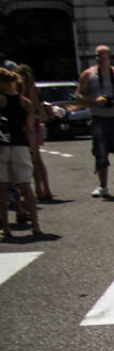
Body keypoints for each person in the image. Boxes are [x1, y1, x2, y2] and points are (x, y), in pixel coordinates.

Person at [76, 44, 114, 198]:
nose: (100, 59)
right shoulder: (88, 75)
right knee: (100, 152)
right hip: (98, 118)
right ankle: (103, 187)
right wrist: (95, 100)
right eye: (97, 57)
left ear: (110, 58)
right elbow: (79, 95)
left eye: (103, 56)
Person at [0, 68, 42, 239]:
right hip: (21, 146)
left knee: (2, 188)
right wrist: (32, 149)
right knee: (25, 185)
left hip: (2, 146)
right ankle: (36, 225)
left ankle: (7, 228)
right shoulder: (25, 102)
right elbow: (30, 130)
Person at [17, 65, 51, 201]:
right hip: (30, 127)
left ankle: (41, 189)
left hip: (32, 127)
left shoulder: (31, 92)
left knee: (34, 160)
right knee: (35, 160)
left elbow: (40, 112)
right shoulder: (30, 91)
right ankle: (41, 189)